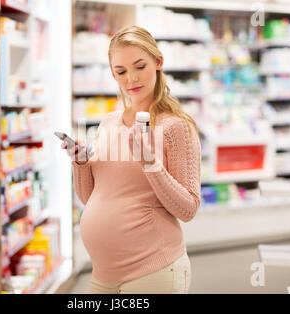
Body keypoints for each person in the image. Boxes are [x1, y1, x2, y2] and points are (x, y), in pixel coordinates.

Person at [60, 25, 201, 294]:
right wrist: (80, 163)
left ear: (158, 62)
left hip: (154, 272)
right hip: (103, 275)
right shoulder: (109, 122)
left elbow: (188, 209)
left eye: (139, 66)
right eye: (121, 71)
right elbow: (93, 198)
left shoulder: (175, 128)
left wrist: (150, 164)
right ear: (113, 73)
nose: (131, 79)